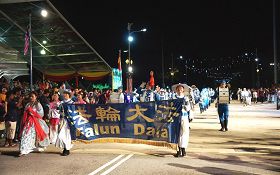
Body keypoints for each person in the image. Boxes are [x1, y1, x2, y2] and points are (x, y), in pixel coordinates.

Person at [19, 91, 50, 157]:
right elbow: (24, 112)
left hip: (36, 121)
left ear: (36, 97)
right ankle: (23, 149)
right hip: (28, 121)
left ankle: (31, 147)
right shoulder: (28, 104)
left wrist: (33, 113)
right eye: (30, 96)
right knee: (25, 134)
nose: (31, 98)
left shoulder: (38, 104)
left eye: (32, 96)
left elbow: (41, 113)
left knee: (35, 135)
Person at [172, 83, 191, 157]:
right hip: (176, 118)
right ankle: (178, 150)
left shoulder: (185, 98)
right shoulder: (174, 98)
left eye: (181, 88)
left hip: (184, 117)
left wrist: (183, 106)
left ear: (183, 89)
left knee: (184, 133)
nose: (180, 90)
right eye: (178, 88)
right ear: (176, 90)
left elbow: (188, 108)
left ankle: (184, 149)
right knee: (177, 133)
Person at [56, 90, 73, 156]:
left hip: (69, 121)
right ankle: (65, 148)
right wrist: (60, 112)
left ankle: (67, 149)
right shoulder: (61, 102)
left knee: (67, 135)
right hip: (62, 120)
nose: (65, 95)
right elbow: (58, 110)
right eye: (64, 94)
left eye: (66, 94)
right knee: (61, 135)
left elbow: (74, 112)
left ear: (69, 95)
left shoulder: (72, 102)